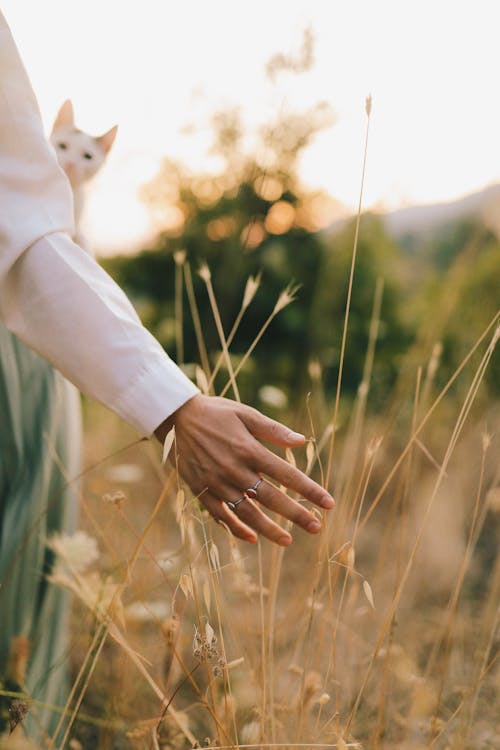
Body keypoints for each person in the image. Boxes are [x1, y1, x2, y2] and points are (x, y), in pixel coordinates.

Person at [0, 7, 334, 738]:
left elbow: (20, 233)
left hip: (25, 350)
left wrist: (173, 405)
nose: (71, 160)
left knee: (18, 598)